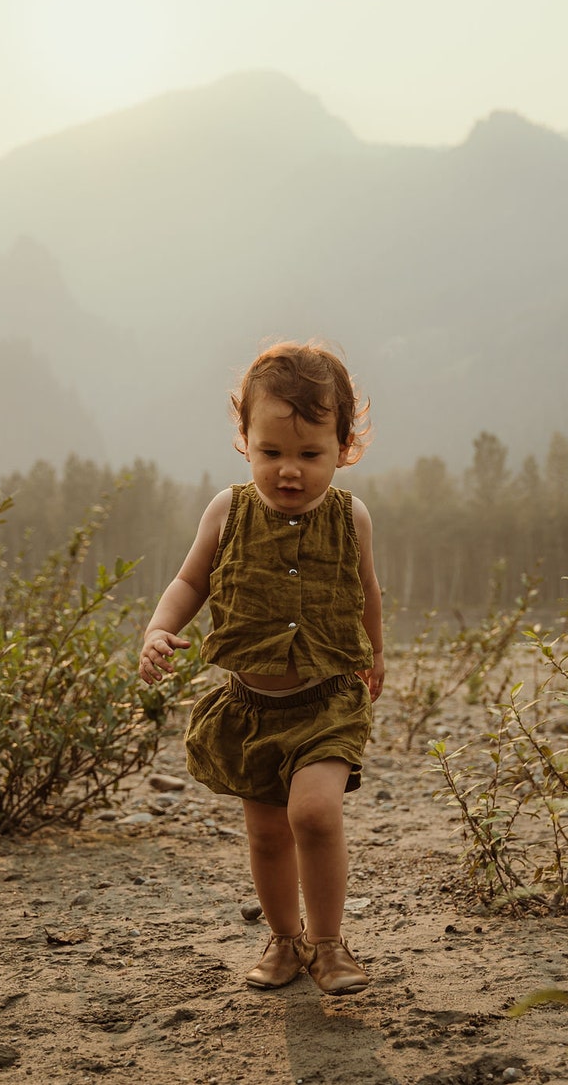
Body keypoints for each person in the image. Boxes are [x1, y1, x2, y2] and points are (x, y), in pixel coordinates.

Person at [139, 340, 384, 996]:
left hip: (327, 699)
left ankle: (330, 944)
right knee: (268, 834)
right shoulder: (226, 512)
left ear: (343, 446)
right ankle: (284, 940)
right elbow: (190, 582)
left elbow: (366, 591)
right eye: (271, 452)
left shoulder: (351, 517)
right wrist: (161, 628)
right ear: (244, 440)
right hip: (251, 708)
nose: (290, 471)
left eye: (311, 454)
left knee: (312, 812)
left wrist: (377, 653)